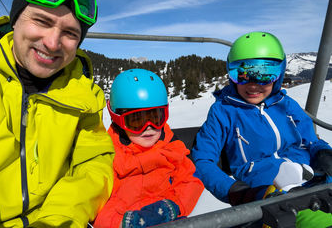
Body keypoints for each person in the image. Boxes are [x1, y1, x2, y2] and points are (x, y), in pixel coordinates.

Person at [0, 0, 115, 227]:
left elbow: (94, 163)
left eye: (70, 33)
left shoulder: (83, 94)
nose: (53, 43)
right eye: (42, 21)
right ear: (15, 19)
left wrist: (58, 220)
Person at [192, 32, 332, 227]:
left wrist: (324, 154)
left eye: (264, 75)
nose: (253, 84)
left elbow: (311, 141)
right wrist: (237, 191)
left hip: (316, 181)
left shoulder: (286, 104)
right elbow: (202, 161)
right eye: (242, 74)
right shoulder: (223, 111)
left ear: (279, 74)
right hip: (271, 195)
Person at [94, 69, 204, 228]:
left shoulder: (170, 145)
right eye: (136, 120)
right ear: (117, 120)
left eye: (155, 118)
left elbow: (190, 179)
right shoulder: (109, 155)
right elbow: (97, 206)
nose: (149, 128)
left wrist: (174, 206)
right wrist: (124, 223)